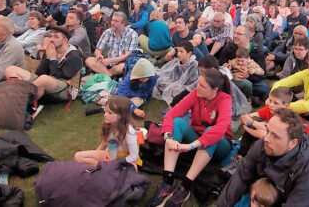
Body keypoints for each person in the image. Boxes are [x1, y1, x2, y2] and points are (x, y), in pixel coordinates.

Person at [148, 69, 233, 207]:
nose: (197, 87)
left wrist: (191, 146)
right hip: (196, 139)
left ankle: (185, 186)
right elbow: (170, 115)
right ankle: (168, 179)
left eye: (202, 86)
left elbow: (220, 129)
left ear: (215, 90)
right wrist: (169, 137)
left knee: (210, 131)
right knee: (177, 123)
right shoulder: (195, 94)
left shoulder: (225, 99)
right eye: (198, 83)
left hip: (220, 146)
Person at [218, 108, 309, 207]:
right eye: (268, 131)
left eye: (275, 136)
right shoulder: (262, 146)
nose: (266, 138)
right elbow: (241, 178)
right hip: (269, 197)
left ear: (293, 143)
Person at [5, 26, 82, 103]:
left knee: (43, 79)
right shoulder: (51, 49)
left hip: (66, 88)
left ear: (65, 40)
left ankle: (24, 104)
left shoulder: (74, 56)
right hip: (46, 81)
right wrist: (47, 58)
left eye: (56, 37)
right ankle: (20, 95)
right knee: (10, 69)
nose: (51, 39)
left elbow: (61, 76)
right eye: (51, 36)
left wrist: (53, 59)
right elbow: (40, 72)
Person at [73, 96, 140, 167]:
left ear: (121, 115)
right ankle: (104, 168)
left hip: (125, 159)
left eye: (110, 113)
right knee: (78, 157)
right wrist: (97, 152)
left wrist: (115, 162)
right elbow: (104, 143)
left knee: (133, 169)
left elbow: (133, 156)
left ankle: (105, 168)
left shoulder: (129, 132)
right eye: (105, 111)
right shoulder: (109, 125)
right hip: (111, 154)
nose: (105, 115)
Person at [90, 58, 157, 118]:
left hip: (136, 98)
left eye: (147, 77)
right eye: (142, 77)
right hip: (123, 95)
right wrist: (135, 109)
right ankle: (112, 109)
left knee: (134, 102)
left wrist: (132, 104)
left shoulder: (153, 77)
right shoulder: (130, 78)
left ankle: (108, 108)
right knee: (99, 97)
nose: (145, 80)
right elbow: (121, 95)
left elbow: (146, 93)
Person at [85, 12, 138, 77]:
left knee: (121, 67)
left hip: (123, 62)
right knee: (88, 60)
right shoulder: (107, 32)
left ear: (123, 23)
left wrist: (112, 60)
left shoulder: (131, 34)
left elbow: (127, 55)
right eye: (112, 20)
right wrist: (99, 55)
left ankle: (104, 74)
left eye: (116, 21)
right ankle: (109, 75)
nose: (112, 23)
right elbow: (98, 50)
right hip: (108, 62)